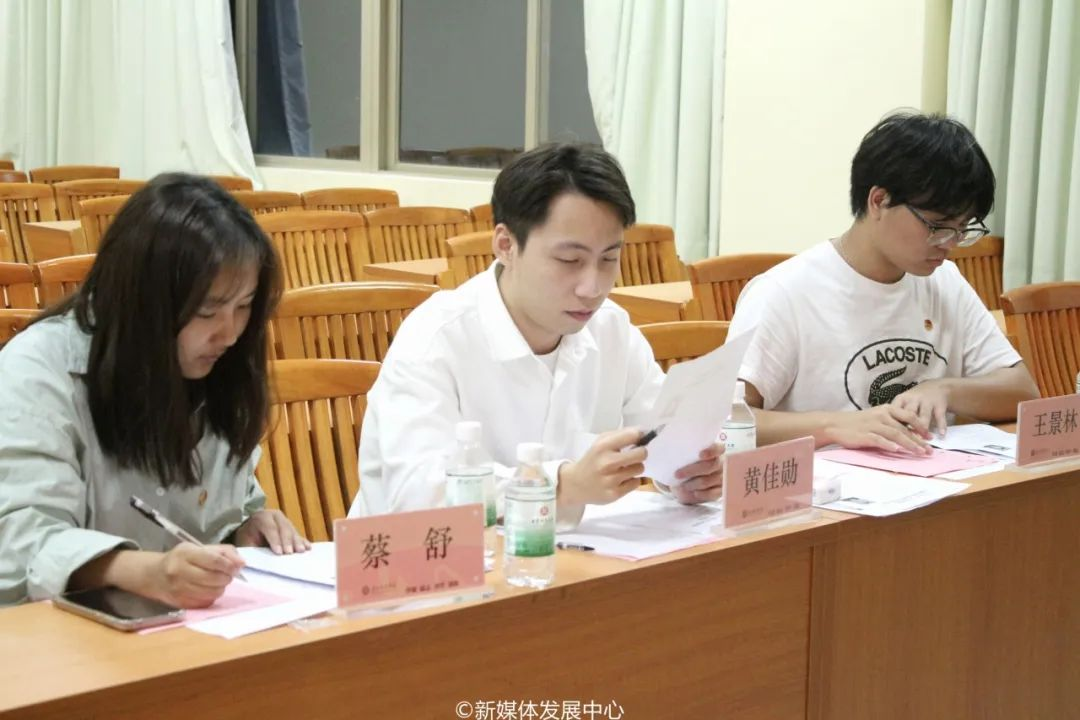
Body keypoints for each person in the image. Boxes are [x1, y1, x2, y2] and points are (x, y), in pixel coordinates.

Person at [350, 143, 724, 524]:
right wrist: (560, 486)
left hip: (566, 554)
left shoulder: (611, 329)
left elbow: (662, 433)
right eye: (569, 260)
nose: (592, 287)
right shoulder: (435, 340)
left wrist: (685, 474)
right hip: (425, 556)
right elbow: (419, 495)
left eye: (609, 259)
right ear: (506, 246)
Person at [0, 173, 310, 608]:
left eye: (244, 306)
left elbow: (227, 504)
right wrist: (146, 572)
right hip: (54, 631)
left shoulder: (218, 366)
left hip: (181, 627)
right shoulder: (38, 370)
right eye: (207, 311)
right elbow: (21, 543)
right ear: (143, 303)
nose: (230, 333)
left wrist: (244, 527)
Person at [727, 112, 1039, 452]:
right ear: (879, 201)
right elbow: (726, 420)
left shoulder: (945, 281)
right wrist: (835, 426)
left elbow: (1022, 392)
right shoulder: (784, 292)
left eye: (962, 228)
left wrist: (944, 389)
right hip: (829, 483)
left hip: (930, 476)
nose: (949, 243)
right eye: (938, 226)